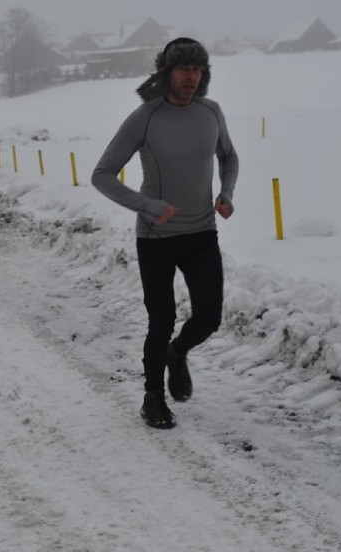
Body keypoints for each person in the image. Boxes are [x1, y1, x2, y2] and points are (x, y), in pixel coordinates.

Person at [91, 37, 239, 430]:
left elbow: (229, 155)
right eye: (183, 68)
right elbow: (101, 175)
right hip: (156, 238)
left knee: (208, 317)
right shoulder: (145, 117)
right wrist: (147, 205)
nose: (191, 76)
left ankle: (179, 352)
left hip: (201, 233)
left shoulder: (211, 111)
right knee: (162, 318)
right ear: (166, 73)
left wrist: (226, 193)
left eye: (197, 69)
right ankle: (153, 397)